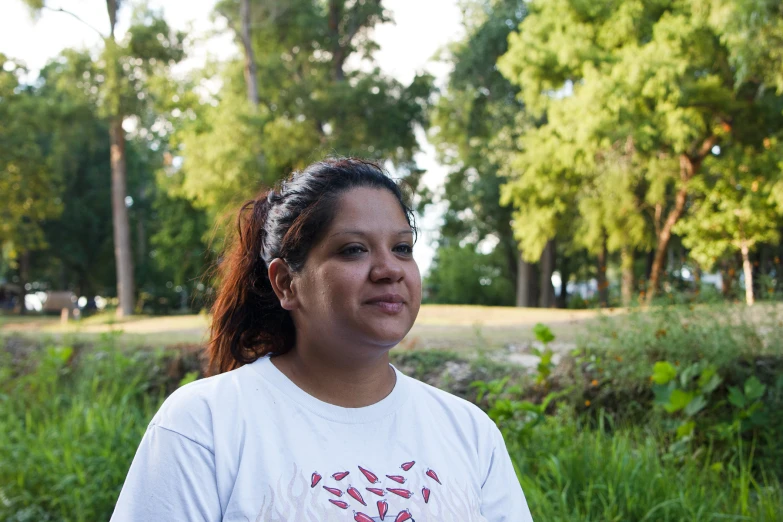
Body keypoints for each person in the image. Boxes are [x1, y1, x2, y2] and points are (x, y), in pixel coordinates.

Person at [111, 158, 534, 522]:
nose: (390, 269)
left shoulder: (468, 431)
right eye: (353, 250)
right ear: (286, 284)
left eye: (402, 248)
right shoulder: (204, 425)